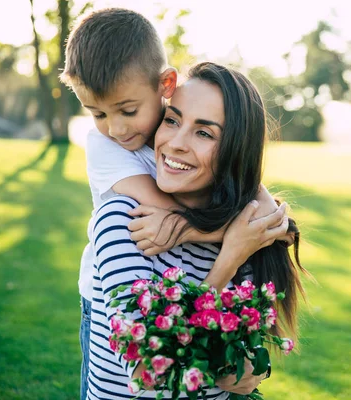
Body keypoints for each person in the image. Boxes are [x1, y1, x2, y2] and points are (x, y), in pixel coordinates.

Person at [60, 8, 290, 400]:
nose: (115, 128)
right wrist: (226, 251)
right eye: (173, 121)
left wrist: (244, 370)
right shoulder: (123, 209)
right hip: (106, 295)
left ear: (163, 88)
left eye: (203, 132)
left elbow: (239, 359)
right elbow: (151, 364)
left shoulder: (250, 235)